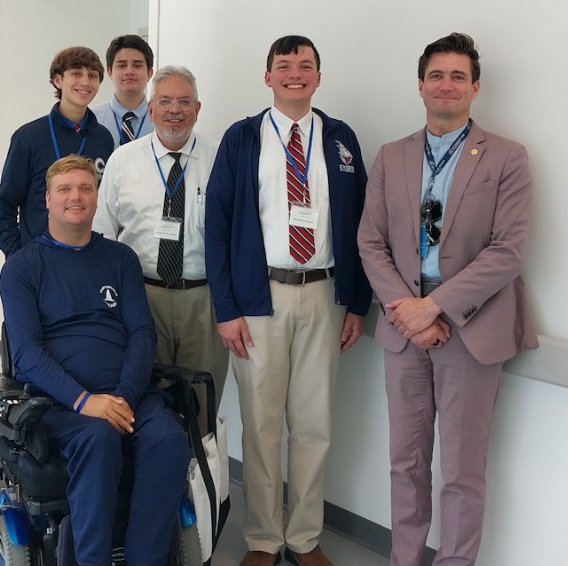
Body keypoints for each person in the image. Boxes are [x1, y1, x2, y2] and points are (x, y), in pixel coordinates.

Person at [357, 33, 537, 566]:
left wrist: (433, 308)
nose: (447, 85)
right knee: (405, 463)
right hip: (402, 324)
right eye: (436, 75)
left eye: (458, 76)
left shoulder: (507, 156)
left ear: (475, 88)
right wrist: (408, 311)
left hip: (472, 329)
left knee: (460, 469)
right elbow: (370, 241)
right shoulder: (392, 156)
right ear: (420, 86)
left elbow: (508, 251)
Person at [204, 35, 371, 566]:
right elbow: (219, 227)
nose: (294, 73)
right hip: (259, 298)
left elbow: (365, 225)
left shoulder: (341, 139)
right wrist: (226, 308)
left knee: (314, 423)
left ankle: (303, 537)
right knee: (262, 423)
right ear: (268, 76)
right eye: (284, 65)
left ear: (319, 77)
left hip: (324, 295)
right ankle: (263, 539)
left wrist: (358, 302)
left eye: (305, 65)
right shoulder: (243, 137)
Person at [1, 155, 189, 566]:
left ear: (96, 197)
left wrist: (120, 398)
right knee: (98, 438)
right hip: (61, 403)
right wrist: (88, 402)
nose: (76, 197)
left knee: (170, 440)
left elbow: (142, 334)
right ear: (47, 199)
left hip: (129, 394)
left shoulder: (119, 258)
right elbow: (28, 356)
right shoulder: (22, 268)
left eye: (85, 188)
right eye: (65, 189)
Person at [93, 65, 228, 427]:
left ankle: (198, 481)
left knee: (201, 402)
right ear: (151, 109)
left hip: (204, 301)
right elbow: (103, 234)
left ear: (198, 109)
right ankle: (153, 480)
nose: (175, 109)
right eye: (165, 101)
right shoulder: (124, 160)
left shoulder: (222, 159)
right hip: (141, 297)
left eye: (184, 101)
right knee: (144, 400)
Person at [0, 46, 114, 255]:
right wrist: (15, 256)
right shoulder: (29, 137)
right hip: (39, 258)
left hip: (90, 257)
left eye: (93, 75)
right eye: (76, 73)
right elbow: (5, 205)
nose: (85, 82)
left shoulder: (103, 138)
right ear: (58, 80)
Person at [93, 34, 156, 148]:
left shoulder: (160, 120)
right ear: (110, 72)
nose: (129, 71)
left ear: (149, 73)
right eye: (122, 66)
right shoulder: (92, 119)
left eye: (137, 65)